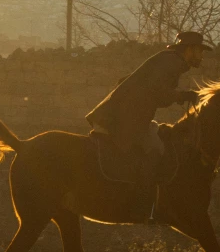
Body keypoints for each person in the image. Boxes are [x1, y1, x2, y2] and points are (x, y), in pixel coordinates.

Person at [86, 31, 212, 218]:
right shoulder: (173, 62)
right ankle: (141, 203)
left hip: (127, 117)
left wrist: (179, 95)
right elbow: (160, 92)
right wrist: (182, 95)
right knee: (156, 149)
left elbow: (156, 93)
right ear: (190, 50)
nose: (202, 56)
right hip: (123, 119)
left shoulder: (170, 60)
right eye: (200, 51)